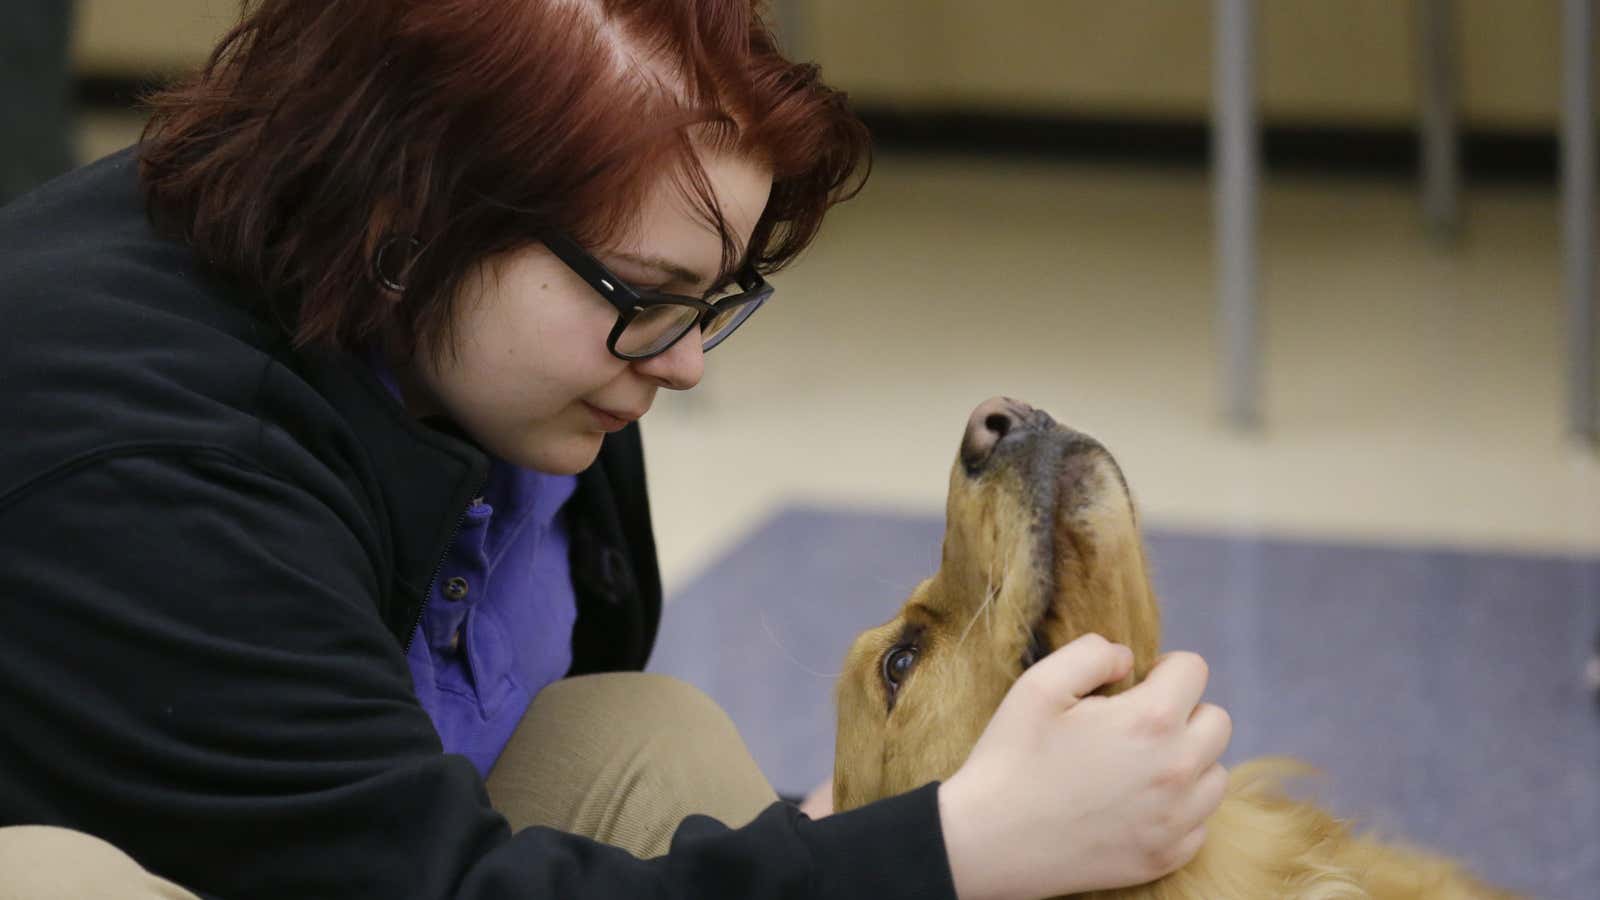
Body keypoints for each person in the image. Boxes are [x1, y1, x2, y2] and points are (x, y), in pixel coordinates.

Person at [0, 2, 1233, 898]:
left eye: (711, 298)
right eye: (646, 292)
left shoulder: (515, 354)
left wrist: (841, 844)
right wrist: (952, 848)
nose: (684, 360)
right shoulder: (152, 465)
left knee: (644, 743)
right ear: (409, 211)